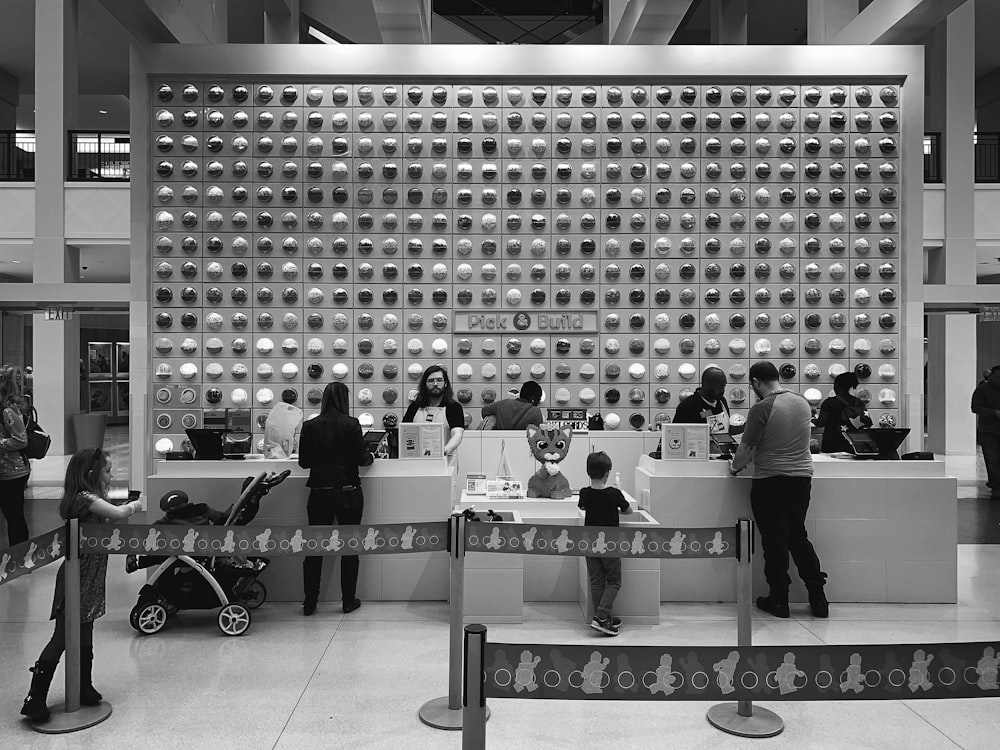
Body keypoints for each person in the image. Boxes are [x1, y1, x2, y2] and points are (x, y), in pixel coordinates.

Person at [20, 448, 142, 722]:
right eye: (108, 471)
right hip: (76, 577)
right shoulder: (83, 498)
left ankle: (83, 686)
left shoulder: (93, 498)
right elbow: (118, 513)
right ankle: (35, 698)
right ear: (91, 474)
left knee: (86, 632)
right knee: (62, 636)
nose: (111, 476)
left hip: (91, 578)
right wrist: (135, 504)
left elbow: (108, 521)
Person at [729, 361, 828, 619]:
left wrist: (734, 468)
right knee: (798, 537)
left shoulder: (762, 408)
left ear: (755, 382)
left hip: (771, 480)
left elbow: (746, 450)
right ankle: (818, 597)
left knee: (775, 542)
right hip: (801, 479)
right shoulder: (802, 402)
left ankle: (779, 600)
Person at [298, 382, 374, 616]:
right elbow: (362, 459)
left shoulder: (309, 426)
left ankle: (310, 602)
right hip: (348, 492)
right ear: (344, 399)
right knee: (350, 547)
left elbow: (304, 462)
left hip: (320, 494)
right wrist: (370, 455)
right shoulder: (351, 424)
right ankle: (348, 601)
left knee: (314, 548)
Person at [577, 451, 632, 636]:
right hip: (610, 543)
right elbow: (629, 511)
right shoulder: (614, 494)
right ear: (608, 473)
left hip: (589, 542)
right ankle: (601, 615)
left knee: (596, 581)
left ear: (588, 472)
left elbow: (582, 507)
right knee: (614, 580)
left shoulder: (585, 493)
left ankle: (602, 617)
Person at [402, 364, 465, 456]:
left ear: (445, 383)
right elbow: (405, 433)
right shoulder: (414, 407)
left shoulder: (454, 408)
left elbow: (457, 434)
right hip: (416, 462)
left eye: (439, 380)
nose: (435, 384)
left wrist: (445, 450)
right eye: (431, 381)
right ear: (425, 384)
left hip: (444, 462)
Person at [0, 364, 31, 546]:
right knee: (11, 514)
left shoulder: (8, 411)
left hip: (14, 470)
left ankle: (19, 554)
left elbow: (21, 440)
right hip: (6, 470)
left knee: (14, 516)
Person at [814, 372, 873, 453]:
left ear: (837, 386)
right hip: (853, 444)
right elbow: (866, 422)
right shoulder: (858, 402)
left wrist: (813, 418)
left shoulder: (829, 403)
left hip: (832, 444)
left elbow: (821, 423)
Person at [673, 366, 742, 434]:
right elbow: (674, 434)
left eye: (724, 386)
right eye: (718, 387)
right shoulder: (688, 406)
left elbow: (726, 429)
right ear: (706, 385)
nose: (722, 390)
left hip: (723, 444)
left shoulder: (721, 401)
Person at [972, 365, 1000, 501]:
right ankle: (996, 487)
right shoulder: (982, 390)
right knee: (992, 460)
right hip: (988, 431)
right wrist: (994, 413)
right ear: (992, 376)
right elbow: (975, 407)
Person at [481, 381, 545, 431]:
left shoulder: (503, 404)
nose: (538, 402)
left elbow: (484, 410)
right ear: (532, 398)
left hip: (501, 442)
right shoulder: (535, 411)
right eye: (538, 399)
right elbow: (538, 434)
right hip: (523, 444)